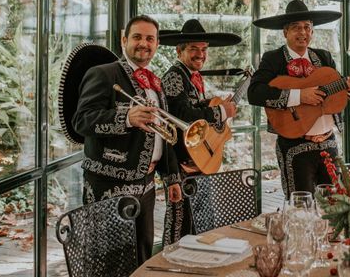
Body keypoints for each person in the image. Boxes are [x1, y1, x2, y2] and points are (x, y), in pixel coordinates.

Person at [72, 15, 182, 265]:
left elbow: (163, 135)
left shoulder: (155, 82)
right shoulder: (103, 73)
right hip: (108, 186)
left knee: (141, 256)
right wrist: (126, 118)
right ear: (124, 40)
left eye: (150, 39)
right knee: (108, 259)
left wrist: (171, 177)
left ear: (156, 44)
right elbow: (82, 121)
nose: (144, 43)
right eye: (137, 37)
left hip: (147, 184)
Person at [247, 0, 350, 197]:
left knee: (334, 206)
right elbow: (255, 93)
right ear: (285, 32)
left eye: (307, 27)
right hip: (295, 146)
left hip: (329, 143)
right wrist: (300, 95)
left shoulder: (324, 56)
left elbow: (337, 92)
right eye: (296, 28)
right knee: (300, 206)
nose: (302, 33)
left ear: (312, 32)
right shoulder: (273, 58)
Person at [159, 19, 241, 244]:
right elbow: (182, 116)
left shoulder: (192, 77)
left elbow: (192, 107)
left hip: (197, 163)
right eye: (194, 49)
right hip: (181, 164)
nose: (200, 54)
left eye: (204, 49)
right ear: (179, 51)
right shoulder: (175, 76)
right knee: (180, 226)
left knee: (200, 225)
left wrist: (210, 105)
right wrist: (220, 112)